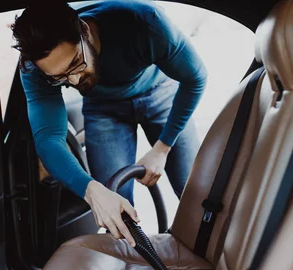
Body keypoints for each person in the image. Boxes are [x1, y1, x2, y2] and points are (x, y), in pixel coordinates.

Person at [11, 0, 207, 246]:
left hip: (160, 92)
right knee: (116, 210)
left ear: (85, 30)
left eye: (75, 63)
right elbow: (49, 139)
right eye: (58, 77)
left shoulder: (145, 22)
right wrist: (90, 189)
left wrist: (161, 149)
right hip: (102, 108)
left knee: (195, 193)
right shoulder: (33, 68)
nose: (73, 80)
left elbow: (195, 79)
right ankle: (137, 267)